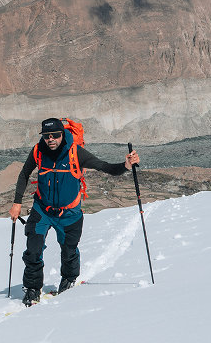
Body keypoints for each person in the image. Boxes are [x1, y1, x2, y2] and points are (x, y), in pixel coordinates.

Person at [9, 118, 140, 306]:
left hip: (69, 213)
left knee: (69, 250)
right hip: (42, 210)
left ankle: (69, 278)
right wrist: (17, 203)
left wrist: (126, 165)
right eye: (47, 136)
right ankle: (32, 288)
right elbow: (24, 174)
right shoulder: (38, 151)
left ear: (63, 134)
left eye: (55, 135)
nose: (51, 139)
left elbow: (104, 166)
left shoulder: (75, 152)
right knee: (33, 249)